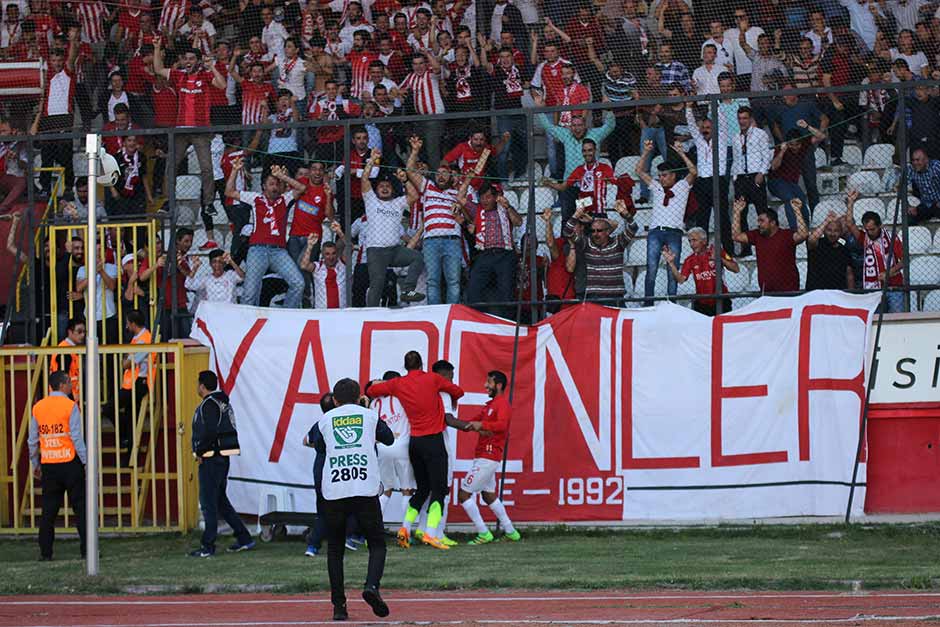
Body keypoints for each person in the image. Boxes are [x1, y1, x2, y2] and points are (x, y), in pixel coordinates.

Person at [310, 378, 392, 621]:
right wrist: (365, 411)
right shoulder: (369, 415)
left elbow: (320, 447)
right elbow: (388, 438)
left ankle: (339, 607)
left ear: (334, 400)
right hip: (365, 489)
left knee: (335, 549)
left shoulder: (325, 419)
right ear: (359, 397)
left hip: (335, 489)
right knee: (377, 544)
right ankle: (371, 587)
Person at [367, 351, 464, 550]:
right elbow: (458, 391)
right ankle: (430, 533)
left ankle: (405, 528)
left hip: (415, 443)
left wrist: (376, 384)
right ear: (422, 364)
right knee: (439, 491)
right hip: (434, 441)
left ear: (405, 366)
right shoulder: (433, 379)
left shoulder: (397, 384)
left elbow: (371, 392)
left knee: (422, 490)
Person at [152, 37, 227, 234]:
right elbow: (158, 69)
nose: (188, 62)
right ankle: (170, 201)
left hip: (201, 131)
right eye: (186, 59)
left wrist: (212, 67)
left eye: (192, 59)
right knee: (171, 166)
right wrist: (157, 46)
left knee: (207, 168)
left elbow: (222, 85)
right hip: (181, 131)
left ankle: (209, 203)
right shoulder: (178, 75)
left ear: (198, 61)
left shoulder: (205, 76)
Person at [224, 158, 306, 308]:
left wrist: (283, 177)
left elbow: (301, 188)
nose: (274, 187)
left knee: (298, 283)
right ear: (263, 187)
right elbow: (229, 192)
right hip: (257, 250)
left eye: (277, 184)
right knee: (249, 293)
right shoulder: (256, 198)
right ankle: (245, 325)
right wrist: (235, 170)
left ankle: (287, 316)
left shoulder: (284, 199)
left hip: (279, 252)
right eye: (271, 184)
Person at [189, 370, 254, 558]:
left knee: (208, 502)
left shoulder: (209, 404)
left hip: (211, 458)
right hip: (221, 457)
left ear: (202, 385)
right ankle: (244, 537)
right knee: (220, 501)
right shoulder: (222, 402)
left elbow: (210, 432)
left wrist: (200, 451)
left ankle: (208, 546)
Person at [457, 370, 521, 545]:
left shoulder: (502, 405)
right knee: (488, 495)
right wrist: (453, 421)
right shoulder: (490, 405)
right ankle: (511, 532)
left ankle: (484, 533)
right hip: (485, 455)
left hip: (489, 455)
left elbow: (502, 425)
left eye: (489, 383)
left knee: (463, 495)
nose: (485, 386)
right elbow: (471, 422)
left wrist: (481, 425)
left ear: (498, 385)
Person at [28, 370, 86, 561]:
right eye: (69, 382)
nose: (71, 385)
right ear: (62, 385)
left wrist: (35, 463)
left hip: (49, 464)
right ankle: (87, 550)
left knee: (48, 512)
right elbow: (76, 438)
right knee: (80, 508)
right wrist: (86, 461)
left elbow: (32, 440)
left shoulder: (38, 407)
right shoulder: (70, 406)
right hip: (70, 463)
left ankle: (46, 553)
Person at [636, 139, 697, 306]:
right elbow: (639, 171)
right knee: (652, 268)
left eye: (664, 175)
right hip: (656, 232)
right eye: (660, 176)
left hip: (674, 232)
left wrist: (681, 153)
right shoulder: (656, 187)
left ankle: (672, 303)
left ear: (673, 175)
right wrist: (646, 152)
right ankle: (648, 303)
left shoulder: (681, 187)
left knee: (673, 270)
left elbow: (693, 171)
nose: (661, 179)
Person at [361, 149, 425, 305]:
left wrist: (405, 180)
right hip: (376, 250)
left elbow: (414, 196)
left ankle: (407, 292)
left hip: (394, 250)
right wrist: (371, 160)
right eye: (381, 186)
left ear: (392, 189)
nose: (384, 188)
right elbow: (364, 179)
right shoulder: (371, 200)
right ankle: (370, 315)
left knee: (417, 257)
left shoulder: (398, 203)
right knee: (377, 283)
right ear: (376, 190)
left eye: (387, 186)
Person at [404, 136, 462, 305]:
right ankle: (436, 314)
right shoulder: (428, 188)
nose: (441, 176)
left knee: (454, 282)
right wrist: (415, 151)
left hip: (452, 241)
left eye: (446, 173)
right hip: (431, 241)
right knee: (433, 281)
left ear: (452, 176)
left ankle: (453, 313)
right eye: (439, 173)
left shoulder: (457, 194)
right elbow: (409, 170)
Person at [564, 200, 636, 305]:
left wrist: (625, 214)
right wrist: (576, 214)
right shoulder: (587, 244)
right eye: (593, 231)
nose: (595, 234)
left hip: (615, 296)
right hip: (594, 296)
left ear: (608, 231)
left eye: (599, 231)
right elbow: (567, 231)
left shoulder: (618, 242)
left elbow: (633, 228)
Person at [732, 198, 809, 293]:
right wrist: (737, 212)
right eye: (758, 221)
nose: (758, 224)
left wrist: (797, 210)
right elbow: (736, 236)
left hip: (789, 290)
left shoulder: (786, 235)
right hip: (767, 291)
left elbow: (803, 234)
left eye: (762, 221)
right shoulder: (757, 235)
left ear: (772, 223)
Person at [845, 190, 904, 312]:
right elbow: (850, 224)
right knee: (875, 319)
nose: (869, 232)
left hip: (894, 285)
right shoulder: (864, 238)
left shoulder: (892, 238)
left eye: (872, 229)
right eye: (867, 229)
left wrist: (889, 272)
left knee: (896, 317)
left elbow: (905, 261)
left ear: (880, 226)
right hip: (874, 288)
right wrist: (850, 202)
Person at [662, 227, 740, 316]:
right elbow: (681, 280)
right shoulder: (690, 259)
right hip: (702, 303)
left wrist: (720, 259)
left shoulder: (716, 251)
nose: (691, 244)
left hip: (721, 300)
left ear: (704, 241)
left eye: (694, 240)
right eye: (689, 241)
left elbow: (736, 269)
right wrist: (671, 263)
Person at [370, 372, 416, 519]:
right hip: (402, 447)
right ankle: (405, 532)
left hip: (382, 449)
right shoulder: (404, 397)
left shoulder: (374, 403)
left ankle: (373, 533)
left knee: (385, 490)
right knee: (407, 490)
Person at [118, 309, 153, 451]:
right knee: (130, 415)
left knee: (109, 409)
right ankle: (129, 444)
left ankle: (126, 439)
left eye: (127, 323)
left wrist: (126, 359)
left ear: (133, 324)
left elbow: (126, 363)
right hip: (132, 382)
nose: (126, 326)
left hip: (140, 381)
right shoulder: (138, 338)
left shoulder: (144, 339)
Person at [806, 212, 856, 291]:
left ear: (840, 233)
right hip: (816, 292)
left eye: (836, 231)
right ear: (824, 230)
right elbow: (812, 239)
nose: (832, 234)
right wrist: (826, 221)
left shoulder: (844, 250)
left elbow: (849, 274)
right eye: (829, 230)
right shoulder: (818, 244)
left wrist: (852, 292)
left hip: (838, 292)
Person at [50, 317, 85, 398]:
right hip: (66, 398)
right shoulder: (65, 351)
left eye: (84, 332)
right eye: (79, 331)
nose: (82, 335)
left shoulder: (70, 349)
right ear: (70, 332)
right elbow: (62, 379)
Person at [905, 148, 940, 224]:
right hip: (926, 204)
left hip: (938, 202)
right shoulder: (911, 169)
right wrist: (909, 205)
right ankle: (914, 235)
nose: (915, 163)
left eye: (918, 160)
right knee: (910, 217)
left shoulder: (936, 167)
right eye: (913, 160)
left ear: (926, 160)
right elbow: (900, 188)